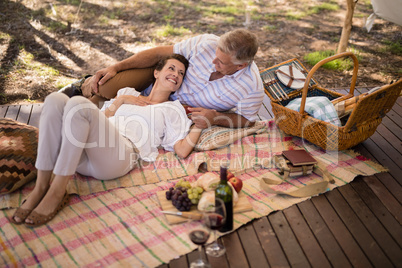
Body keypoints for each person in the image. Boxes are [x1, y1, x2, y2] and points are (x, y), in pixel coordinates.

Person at [11, 54, 203, 227]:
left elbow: (181, 149)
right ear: (156, 72)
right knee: (54, 99)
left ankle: (56, 192)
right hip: (80, 152)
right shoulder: (127, 93)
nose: (176, 74)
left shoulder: (172, 109)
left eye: (181, 73)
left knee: (79, 105)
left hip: (119, 156)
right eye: (171, 68)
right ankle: (41, 186)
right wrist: (120, 101)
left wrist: (202, 125)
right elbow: (98, 118)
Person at [61, 29, 264, 129]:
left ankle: (76, 112)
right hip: (156, 80)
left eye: (221, 61)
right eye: (215, 53)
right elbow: (161, 54)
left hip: (169, 107)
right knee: (106, 86)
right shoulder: (206, 43)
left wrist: (216, 118)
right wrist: (116, 66)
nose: (213, 61)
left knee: (96, 112)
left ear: (240, 66)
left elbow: (248, 120)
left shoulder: (251, 86)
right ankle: (83, 85)